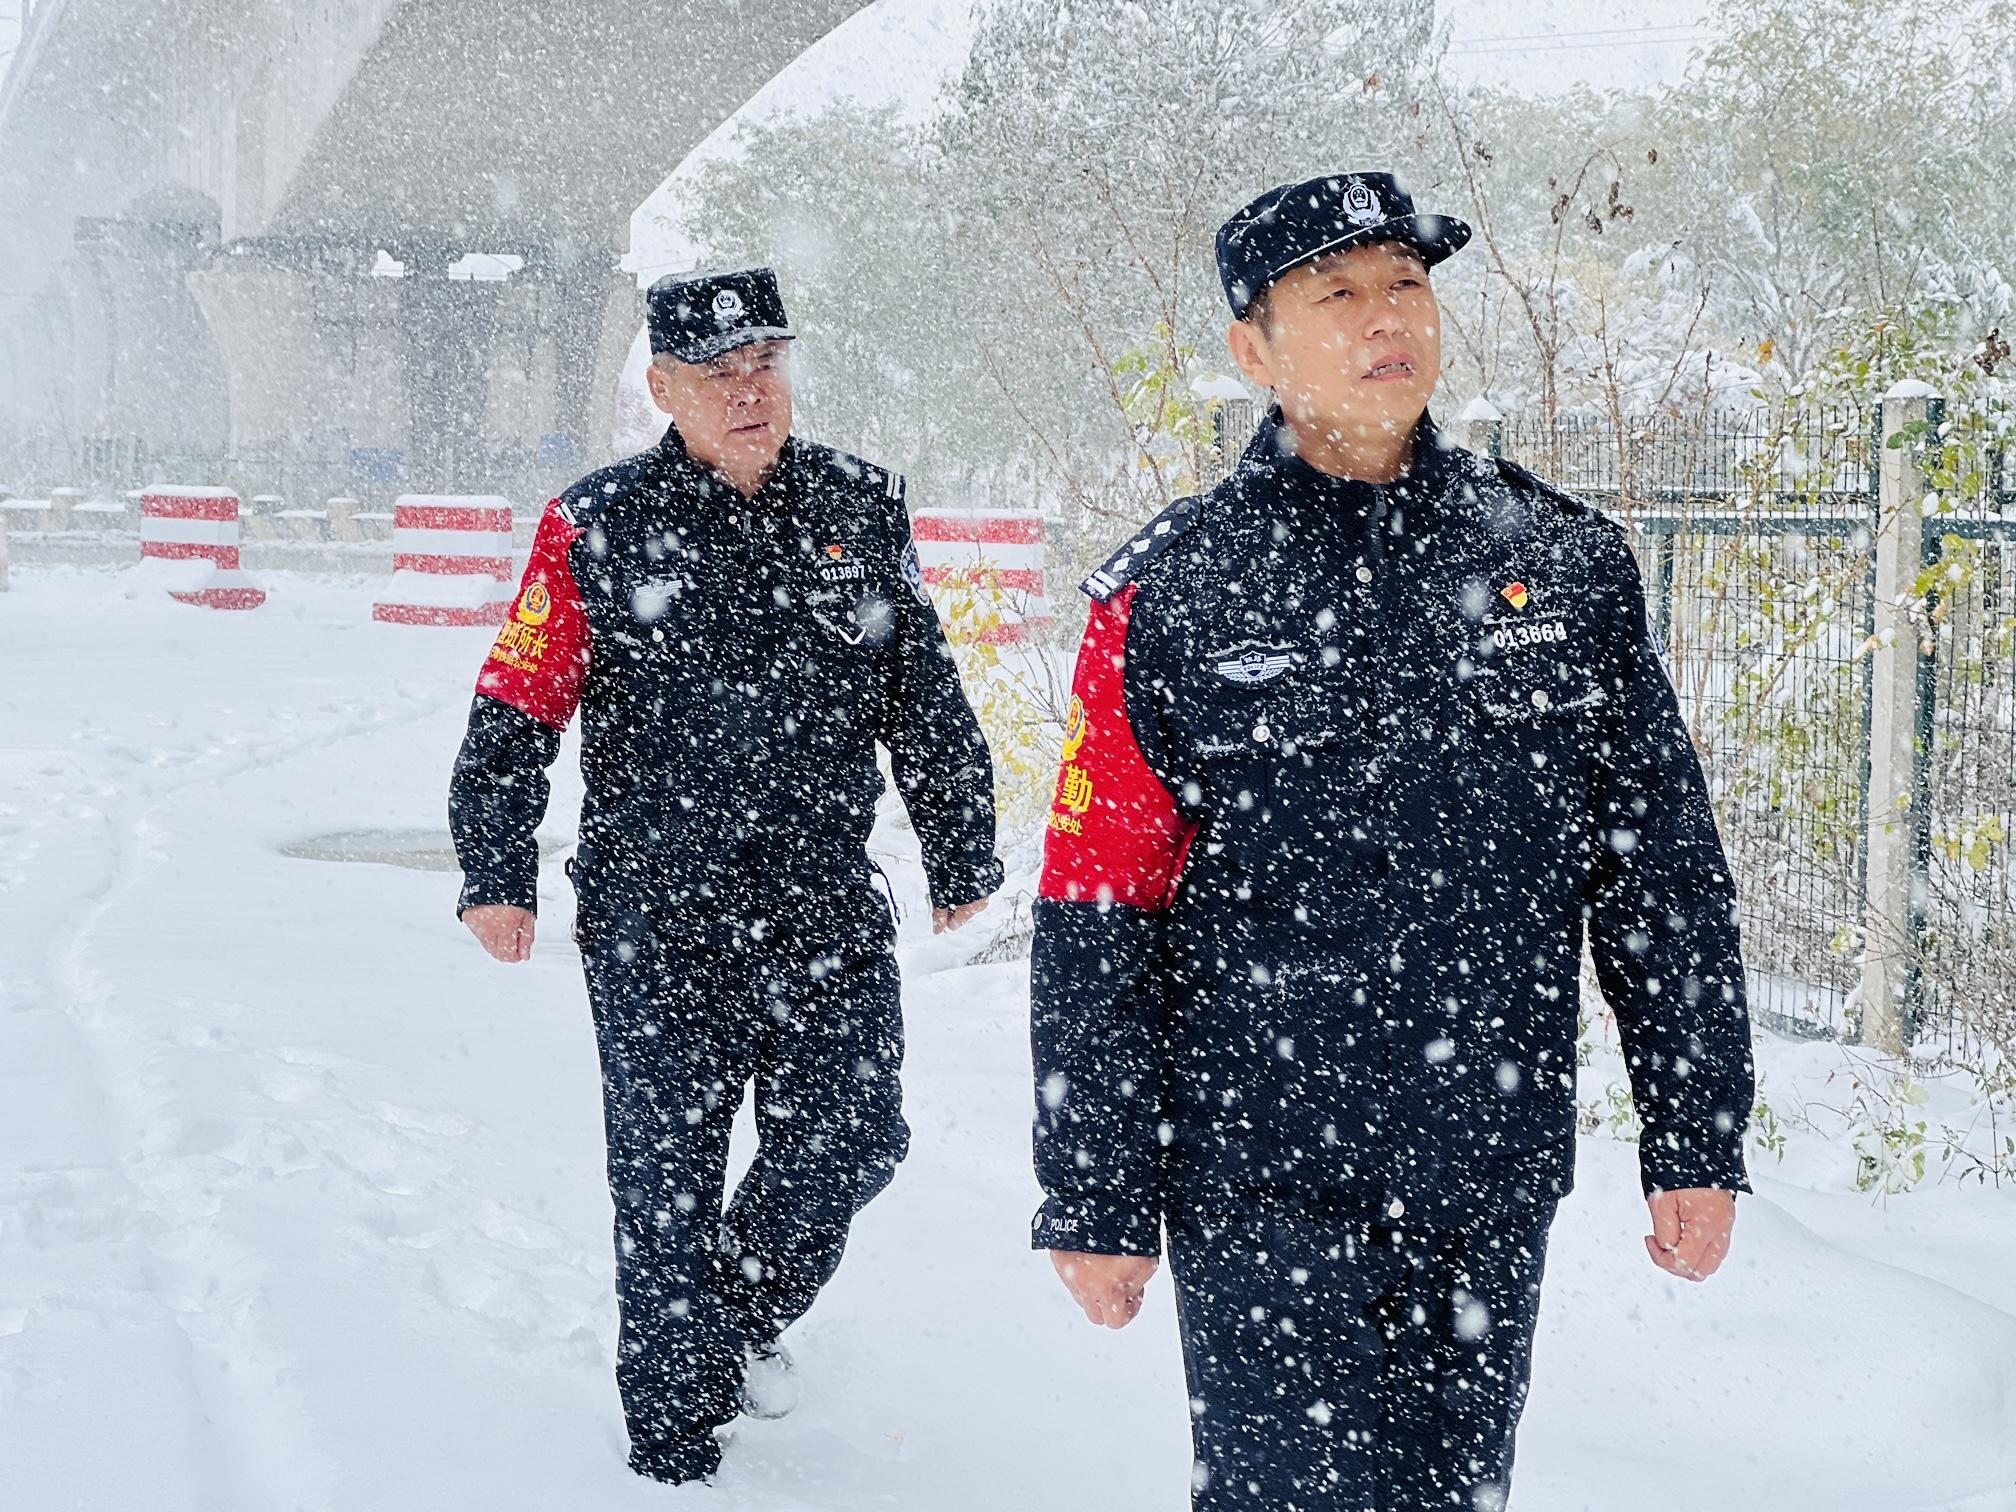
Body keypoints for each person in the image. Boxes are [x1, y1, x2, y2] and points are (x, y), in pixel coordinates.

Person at [1028, 172, 1755, 1511]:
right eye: (1338, 293)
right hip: (1262, 1171)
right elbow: (1098, 908)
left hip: (1488, 1156)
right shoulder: (1174, 592)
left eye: (1407, 284)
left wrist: (1694, 1135)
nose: (1387, 320)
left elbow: (1660, 873)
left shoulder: (1563, 563)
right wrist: (1095, 1194)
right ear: (1255, 350)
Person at [449, 266, 1002, 1486]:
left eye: (767, 364)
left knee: (855, 1136)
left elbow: (926, 696)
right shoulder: (594, 528)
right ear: (662, 388)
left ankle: (732, 1321)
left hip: (821, 901)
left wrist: (962, 845)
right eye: (720, 372)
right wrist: (498, 867)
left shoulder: (860, 508)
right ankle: (670, 1446)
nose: (752, 391)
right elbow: (515, 704)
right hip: (658, 911)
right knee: (664, 1179)